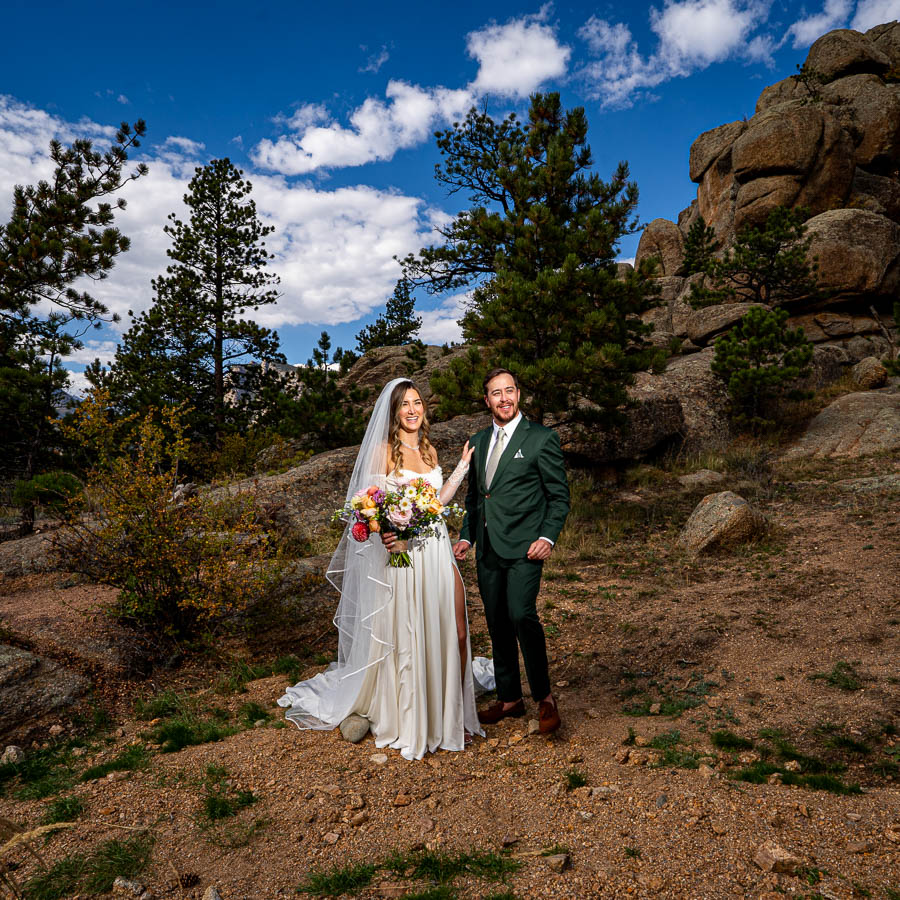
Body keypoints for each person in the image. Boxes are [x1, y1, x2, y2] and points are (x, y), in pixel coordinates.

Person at [277, 377, 484, 760]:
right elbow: (369, 507)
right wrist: (389, 534)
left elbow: (436, 501)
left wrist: (461, 469)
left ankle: (453, 715)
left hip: (436, 548)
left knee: (455, 631)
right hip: (403, 557)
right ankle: (416, 720)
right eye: (405, 404)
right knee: (411, 635)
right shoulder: (382, 452)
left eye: (417, 402)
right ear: (393, 412)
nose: (412, 410)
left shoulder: (430, 450)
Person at [453, 368, 570, 734]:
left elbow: (559, 496)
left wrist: (547, 537)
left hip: (525, 549)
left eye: (509, 391)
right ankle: (509, 698)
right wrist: (467, 537)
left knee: (521, 614)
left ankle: (544, 697)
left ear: (518, 395)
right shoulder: (478, 440)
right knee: (497, 621)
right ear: (486, 400)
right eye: (495, 393)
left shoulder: (541, 438)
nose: (503, 399)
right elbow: (476, 498)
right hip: (487, 549)